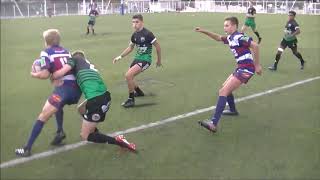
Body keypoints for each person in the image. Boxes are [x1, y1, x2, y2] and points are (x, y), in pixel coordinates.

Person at [51, 51, 136, 152]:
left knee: (84, 135)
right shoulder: (89, 66)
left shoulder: (75, 59)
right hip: (104, 96)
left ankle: (120, 142)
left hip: (97, 100)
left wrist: (52, 75)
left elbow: (61, 72)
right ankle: (95, 132)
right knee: (81, 109)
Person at [15, 29, 81, 157]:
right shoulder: (66, 51)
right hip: (76, 91)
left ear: (46, 42)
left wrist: (34, 74)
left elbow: (45, 74)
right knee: (58, 107)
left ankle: (27, 148)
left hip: (64, 90)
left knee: (43, 116)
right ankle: (60, 132)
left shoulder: (46, 52)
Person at [195, 16, 262, 133]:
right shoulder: (231, 38)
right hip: (241, 67)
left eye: (227, 25)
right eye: (224, 25)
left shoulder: (239, 37)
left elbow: (255, 46)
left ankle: (213, 124)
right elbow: (217, 37)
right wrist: (203, 31)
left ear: (234, 26)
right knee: (224, 88)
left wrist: (257, 65)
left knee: (223, 92)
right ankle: (232, 110)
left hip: (246, 69)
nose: (224, 27)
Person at [113, 14, 162, 108]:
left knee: (128, 75)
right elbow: (130, 47)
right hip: (137, 59)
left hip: (145, 60)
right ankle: (139, 92)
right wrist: (119, 57)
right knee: (128, 76)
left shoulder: (148, 34)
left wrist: (159, 61)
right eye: (133, 22)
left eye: (136, 22)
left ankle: (131, 100)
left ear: (141, 22)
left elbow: (158, 47)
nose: (134, 25)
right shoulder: (134, 35)